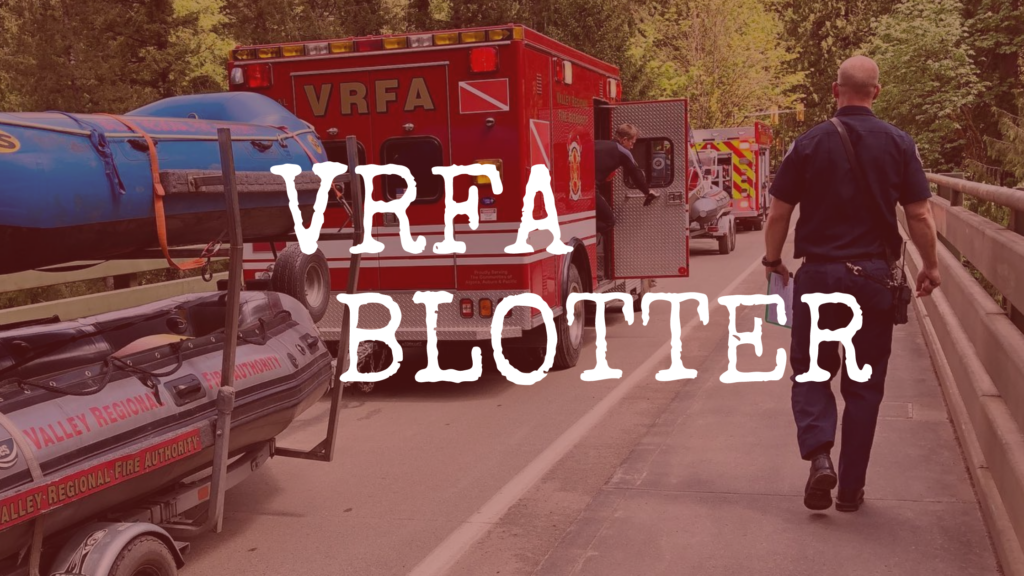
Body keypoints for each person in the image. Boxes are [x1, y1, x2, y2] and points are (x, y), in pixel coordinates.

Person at [763, 55, 941, 512]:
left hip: (819, 276)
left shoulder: (807, 143)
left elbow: (779, 212)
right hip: (872, 280)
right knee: (864, 386)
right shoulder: (901, 144)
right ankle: (851, 491)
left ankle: (820, 456)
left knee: (812, 372)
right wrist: (931, 266)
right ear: (876, 92)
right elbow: (919, 214)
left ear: (834, 90)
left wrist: (772, 261)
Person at [594, 123, 658, 237]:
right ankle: (582, 230)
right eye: (632, 143)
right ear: (624, 140)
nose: (632, 147)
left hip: (576, 189)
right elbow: (635, 174)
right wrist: (647, 192)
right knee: (609, 222)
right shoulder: (623, 151)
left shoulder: (597, 143)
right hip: (590, 190)